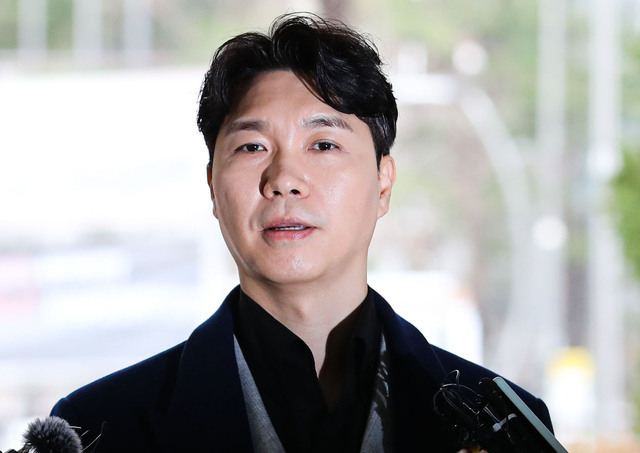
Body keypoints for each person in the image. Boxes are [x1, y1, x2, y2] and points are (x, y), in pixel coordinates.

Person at [50, 13, 553, 452]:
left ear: (383, 183)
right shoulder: (97, 427)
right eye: (252, 147)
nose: (284, 179)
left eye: (324, 144)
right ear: (212, 187)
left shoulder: (509, 429)